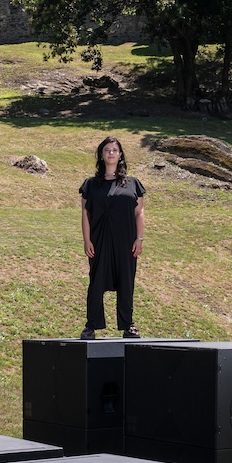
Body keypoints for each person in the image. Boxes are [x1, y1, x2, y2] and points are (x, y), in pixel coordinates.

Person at [78, 136, 145, 339]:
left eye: (115, 150)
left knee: (126, 281)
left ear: (120, 154)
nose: (111, 153)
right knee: (96, 282)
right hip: (98, 241)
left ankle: (128, 325)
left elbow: (139, 213)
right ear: (101, 154)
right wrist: (87, 240)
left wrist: (139, 239)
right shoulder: (91, 184)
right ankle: (91, 325)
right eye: (107, 150)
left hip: (126, 242)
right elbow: (85, 214)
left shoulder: (133, 184)